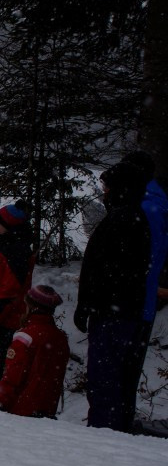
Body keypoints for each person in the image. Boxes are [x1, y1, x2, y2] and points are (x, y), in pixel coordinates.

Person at [75, 158, 155, 431]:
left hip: (113, 313)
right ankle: (109, 430)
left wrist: (89, 303)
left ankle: (105, 436)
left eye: (108, 188)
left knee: (106, 380)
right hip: (117, 311)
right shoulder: (128, 217)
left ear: (121, 188)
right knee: (111, 380)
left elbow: (107, 270)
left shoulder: (125, 220)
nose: (104, 193)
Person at [0, 201, 35, 407]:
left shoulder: (14, 252)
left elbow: (9, 292)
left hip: (5, 320)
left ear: (9, 227)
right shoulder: (10, 248)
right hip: (3, 318)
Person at [0, 285, 70, 418]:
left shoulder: (25, 337)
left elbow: (13, 375)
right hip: (47, 412)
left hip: (21, 412)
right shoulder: (60, 338)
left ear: (31, 307)